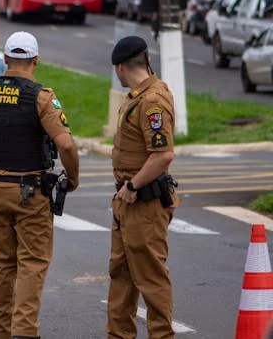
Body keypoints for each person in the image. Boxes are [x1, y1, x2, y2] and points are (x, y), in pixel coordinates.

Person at [0, 31, 80, 339]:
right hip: (30, 192)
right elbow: (66, 146)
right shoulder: (41, 97)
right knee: (32, 261)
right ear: (35, 61)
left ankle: (0, 331)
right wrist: (74, 178)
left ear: (5, 59)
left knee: (3, 261)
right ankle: (25, 332)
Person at [106, 36, 180, 339]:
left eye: (117, 71)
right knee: (121, 275)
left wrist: (134, 184)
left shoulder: (152, 100)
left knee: (150, 277)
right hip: (127, 200)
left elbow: (163, 154)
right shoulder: (138, 95)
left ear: (121, 67)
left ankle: (161, 336)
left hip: (144, 202)